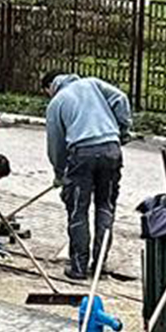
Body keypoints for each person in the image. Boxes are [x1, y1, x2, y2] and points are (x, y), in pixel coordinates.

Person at [43, 72, 132, 280]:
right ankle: (100, 265)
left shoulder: (57, 102)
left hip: (82, 155)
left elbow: (56, 145)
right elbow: (121, 98)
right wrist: (123, 130)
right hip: (111, 151)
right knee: (105, 206)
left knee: (78, 209)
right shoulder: (93, 84)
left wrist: (59, 173)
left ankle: (79, 268)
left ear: (49, 87)